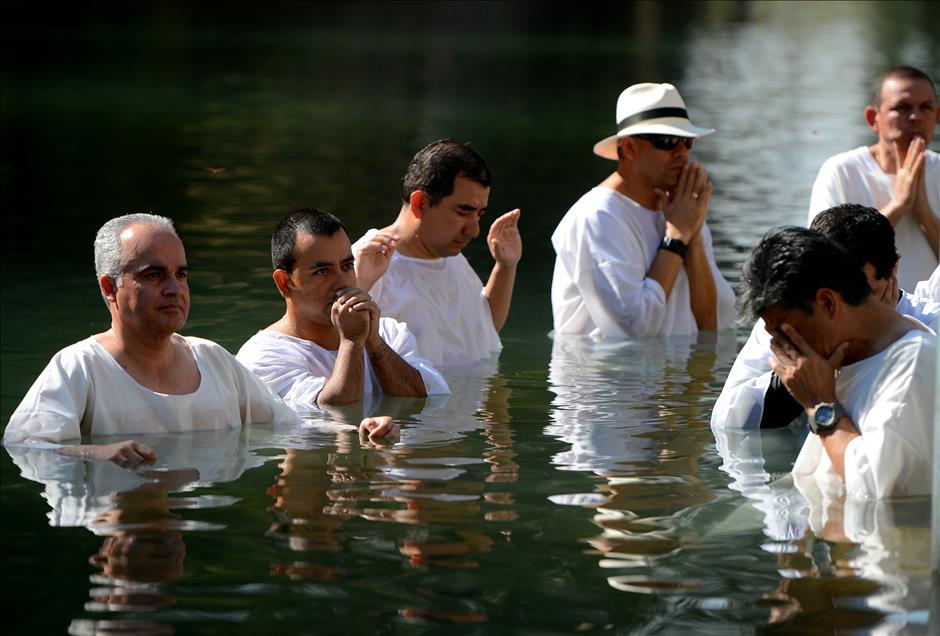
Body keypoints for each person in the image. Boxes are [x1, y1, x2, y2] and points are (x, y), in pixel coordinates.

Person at [3, 213, 300, 462]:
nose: (174, 289)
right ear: (109, 287)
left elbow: (291, 427)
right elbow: (26, 446)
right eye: (154, 275)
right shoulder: (80, 367)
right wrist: (96, 453)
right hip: (121, 513)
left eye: (181, 274)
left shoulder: (214, 361)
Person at [739, 227, 935, 499]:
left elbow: (875, 493)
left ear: (828, 303)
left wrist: (820, 405)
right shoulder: (842, 361)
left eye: (788, 334)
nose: (784, 349)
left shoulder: (914, 361)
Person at [711, 204, 939, 430]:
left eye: (862, 291)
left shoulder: (930, 329)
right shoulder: (788, 321)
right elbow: (726, 422)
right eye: (831, 292)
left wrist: (877, 346)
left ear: (893, 269)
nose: (846, 305)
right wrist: (798, 378)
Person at [551, 82, 736, 338]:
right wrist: (676, 238)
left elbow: (713, 323)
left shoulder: (683, 210)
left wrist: (691, 237)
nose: (682, 153)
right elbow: (635, 327)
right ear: (629, 147)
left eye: (687, 141)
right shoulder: (596, 217)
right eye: (668, 141)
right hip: (605, 376)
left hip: (669, 374)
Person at [236, 208, 449, 412]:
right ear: (284, 282)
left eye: (347, 266)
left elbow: (428, 398)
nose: (341, 282)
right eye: (322, 271)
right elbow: (335, 415)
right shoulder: (262, 355)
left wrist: (374, 342)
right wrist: (352, 342)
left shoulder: (389, 333)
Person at [352, 139, 522, 366]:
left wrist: (505, 266)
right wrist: (359, 284)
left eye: (479, 214)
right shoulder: (366, 261)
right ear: (420, 203)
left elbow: (483, 330)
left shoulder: (452, 258)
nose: (474, 230)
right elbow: (329, 347)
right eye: (463, 211)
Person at [808, 66, 939, 290]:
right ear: (873, 118)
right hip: (866, 320)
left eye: (925, 107)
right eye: (902, 107)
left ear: (936, 116)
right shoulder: (841, 171)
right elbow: (824, 262)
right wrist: (898, 205)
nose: (916, 117)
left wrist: (924, 213)